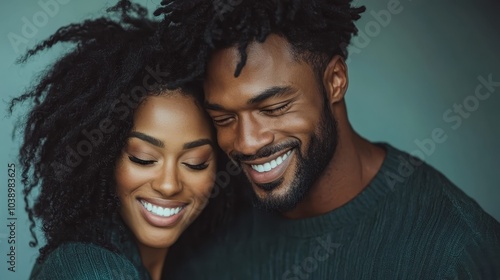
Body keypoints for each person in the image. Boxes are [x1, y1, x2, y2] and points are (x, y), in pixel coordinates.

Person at [153, 0, 500, 279]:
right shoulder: (204, 221)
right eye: (224, 118)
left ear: (334, 80)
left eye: (274, 107)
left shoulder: (458, 249)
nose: (246, 143)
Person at [9, 1, 238, 279]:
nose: (169, 185)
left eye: (195, 163)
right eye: (143, 158)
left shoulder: (196, 260)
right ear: (103, 158)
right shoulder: (85, 268)